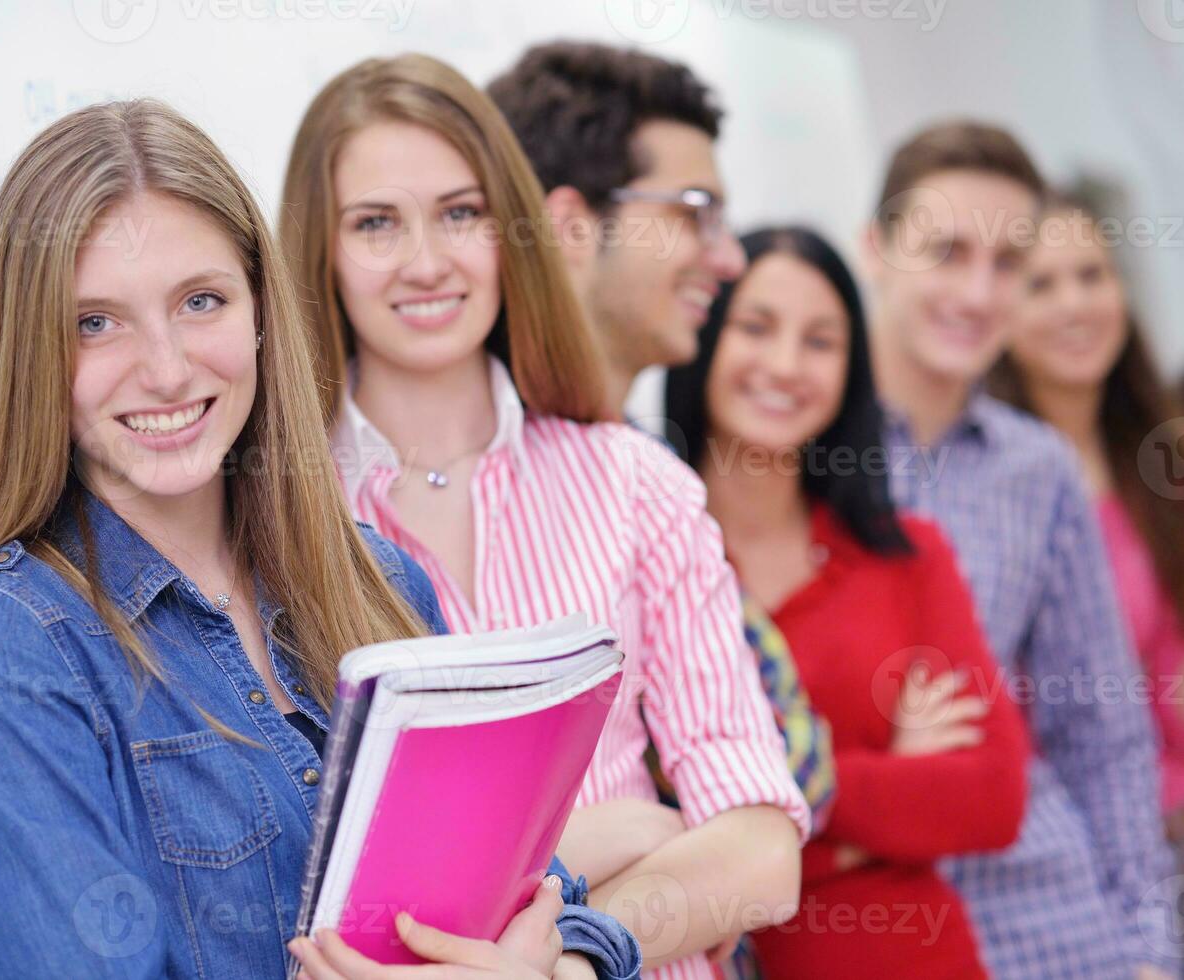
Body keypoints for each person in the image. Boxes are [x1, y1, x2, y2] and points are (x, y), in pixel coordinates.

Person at [0, 97, 640, 980]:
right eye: (94, 322)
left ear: (261, 313)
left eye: (200, 301)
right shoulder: (11, 645)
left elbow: (551, 902)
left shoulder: (377, 579)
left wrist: (553, 972)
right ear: (33, 351)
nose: (168, 368)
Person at [278, 52, 810, 980]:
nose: (427, 261)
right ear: (319, 248)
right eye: (375, 223)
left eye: (460, 213)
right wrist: (614, 832)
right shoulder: (273, 516)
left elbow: (761, 850)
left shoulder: (636, 485)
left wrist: (568, 956)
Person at [486, 44, 837, 978]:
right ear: (567, 224)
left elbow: (784, 805)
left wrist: (672, 847)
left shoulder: (650, 483)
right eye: (693, 214)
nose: (727, 256)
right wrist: (659, 847)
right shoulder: (430, 489)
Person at [665, 226, 1028, 978]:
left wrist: (773, 807)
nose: (785, 365)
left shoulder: (909, 556)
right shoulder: (650, 557)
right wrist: (885, 798)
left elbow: (991, 797)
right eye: (755, 327)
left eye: (821, 341)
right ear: (701, 337)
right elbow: (660, 826)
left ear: (850, 369)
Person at [862, 120, 1178, 978]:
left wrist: (1149, 950)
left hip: (1056, 922)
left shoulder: (1034, 469)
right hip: (869, 918)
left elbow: (1104, 735)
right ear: (874, 251)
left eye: (1005, 261)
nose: (976, 290)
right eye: (946, 251)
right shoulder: (792, 452)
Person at [990, 190, 1184, 848]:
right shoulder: (997, 496)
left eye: (1090, 275)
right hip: (1103, 843)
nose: (1074, 304)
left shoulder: (1160, 455)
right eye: (1039, 284)